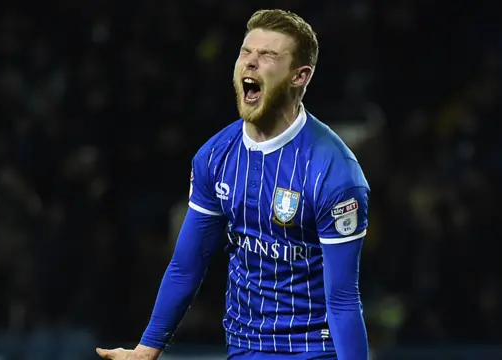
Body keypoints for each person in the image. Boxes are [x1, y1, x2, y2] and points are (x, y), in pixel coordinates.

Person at [96, 9, 370, 360]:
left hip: (312, 351)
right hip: (242, 349)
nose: (251, 63)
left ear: (299, 76)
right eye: (246, 52)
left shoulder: (334, 174)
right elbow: (188, 263)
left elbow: (343, 300)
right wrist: (148, 347)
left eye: (268, 55)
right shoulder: (215, 156)